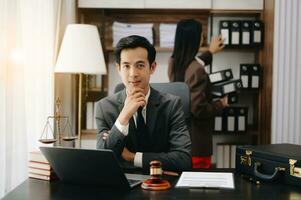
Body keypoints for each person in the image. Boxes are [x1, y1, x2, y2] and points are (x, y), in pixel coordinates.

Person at [95, 35, 191, 172]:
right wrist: (123, 117)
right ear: (118, 68)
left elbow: (183, 160)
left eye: (140, 65)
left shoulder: (172, 105)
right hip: (122, 186)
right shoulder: (104, 108)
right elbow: (103, 161)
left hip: (161, 183)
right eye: (126, 66)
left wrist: (132, 157)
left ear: (152, 67)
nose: (133, 74)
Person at [168, 19, 228, 169]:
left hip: (179, 141)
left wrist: (210, 52)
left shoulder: (173, 63)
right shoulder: (197, 70)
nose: (203, 38)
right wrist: (220, 104)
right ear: (195, 39)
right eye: (201, 35)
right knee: (198, 188)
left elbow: (193, 65)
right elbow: (199, 109)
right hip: (197, 142)